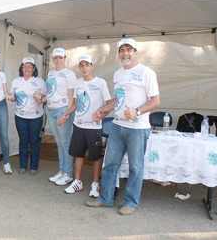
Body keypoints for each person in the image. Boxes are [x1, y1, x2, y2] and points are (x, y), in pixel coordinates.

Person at [86, 38, 160, 215]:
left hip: (137, 128)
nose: (125, 53)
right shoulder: (118, 74)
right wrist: (102, 111)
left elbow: (155, 100)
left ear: (136, 52)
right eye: (122, 50)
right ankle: (106, 199)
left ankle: (131, 202)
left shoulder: (146, 72)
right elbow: (118, 100)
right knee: (110, 163)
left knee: (136, 167)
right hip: (117, 126)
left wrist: (137, 111)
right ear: (119, 54)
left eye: (129, 49)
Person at [64, 54, 112, 197]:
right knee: (78, 154)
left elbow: (109, 104)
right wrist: (65, 114)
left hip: (94, 127)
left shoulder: (101, 82)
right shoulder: (78, 82)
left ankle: (95, 184)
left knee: (96, 156)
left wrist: (101, 116)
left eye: (87, 65)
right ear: (79, 67)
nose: (84, 68)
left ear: (92, 66)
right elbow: (77, 103)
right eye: (81, 65)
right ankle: (77, 182)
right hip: (78, 125)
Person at [35, 48, 76, 186]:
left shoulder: (69, 74)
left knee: (65, 143)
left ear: (64, 58)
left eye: (60, 58)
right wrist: (41, 98)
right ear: (53, 59)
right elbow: (50, 93)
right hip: (51, 110)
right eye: (55, 58)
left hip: (62, 110)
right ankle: (62, 171)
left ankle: (68, 174)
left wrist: (67, 113)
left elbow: (72, 96)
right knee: (59, 143)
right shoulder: (51, 73)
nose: (58, 60)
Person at [7, 57, 47, 175]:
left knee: (34, 141)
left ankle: (34, 166)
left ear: (34, 69)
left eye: (30, 67)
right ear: (22, 68)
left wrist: (40, 98)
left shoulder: (40, 81)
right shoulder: (16, 81)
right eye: (25, 66)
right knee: (23, 141)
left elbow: (45, 97)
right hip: (20, 116)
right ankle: (23, 165)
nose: (27, 69)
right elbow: (12, 96)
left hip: (35, 116)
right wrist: (11, 97)